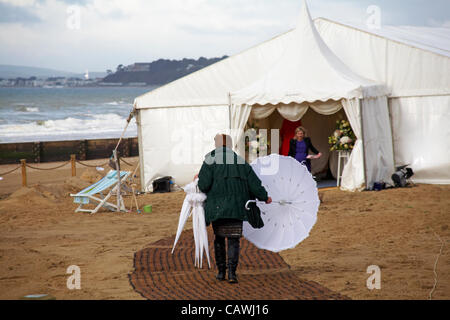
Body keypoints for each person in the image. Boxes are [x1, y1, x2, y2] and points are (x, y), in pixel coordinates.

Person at [195, 134, 272, 283]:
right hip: (237, 207)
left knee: (219, 238)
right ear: (230, 146)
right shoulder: (240, 161)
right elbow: (254, 183)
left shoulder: (210, 159)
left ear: (216, 145)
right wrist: (265, 197)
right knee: (233, 239)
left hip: (216, 208)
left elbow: (203, 185)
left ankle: (220, 272)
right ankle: (232, 273)